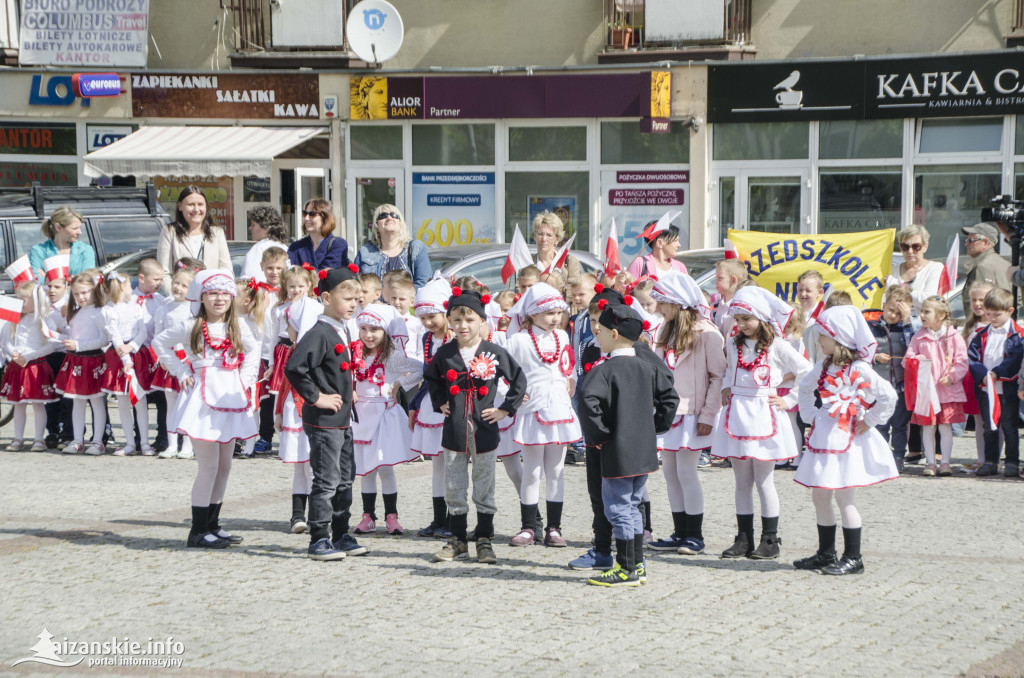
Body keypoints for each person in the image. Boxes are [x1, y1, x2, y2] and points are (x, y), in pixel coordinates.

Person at [153, 270, 259, 549]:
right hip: (202, 400)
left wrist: (246, 381)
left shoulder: (238, 326)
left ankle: (213, 524)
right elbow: (159, 342)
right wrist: (179, 371)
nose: (219, 298)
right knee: (208, 466)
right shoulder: (190, 326)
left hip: (230, 398)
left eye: (225, 293)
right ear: (201, 297)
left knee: (224, 466)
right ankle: (197, 530)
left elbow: (254, 351)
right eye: (213, 293)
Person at [423, 289, 527, 565]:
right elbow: (431, 379)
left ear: (482, 320)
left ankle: (484, 539)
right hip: (454, 431)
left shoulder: (493, 352)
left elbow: (518, 380)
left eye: (469, 319)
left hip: (484, 431)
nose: (463, 326)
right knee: (454, 484)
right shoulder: (445, 353)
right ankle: (457, 540)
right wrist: (440, 402)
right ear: (450, 321)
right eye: (456, 320)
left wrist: (505, 409)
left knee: (484, 485)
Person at [579, 302, 678, 587]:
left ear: (613, 333)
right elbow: (670, 398)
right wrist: (656, 426)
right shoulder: (647, 365)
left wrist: (599, 436)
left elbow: (588, 403)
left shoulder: (604, 369)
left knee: (619, 508)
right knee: (632, 505)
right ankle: (636, 566)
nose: (595, 332)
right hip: (644, 449)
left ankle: (625, 569)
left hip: (617, 449)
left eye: (599, 329)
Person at [794, 305, 899, 575]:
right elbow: (805, 389)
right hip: (824, 436)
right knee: (820, 496)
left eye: (823, 336)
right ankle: (825, 553)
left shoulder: (860, 369)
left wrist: (869, 420)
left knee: (845, 499)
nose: (818, 340)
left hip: (847, 439)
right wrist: (812, 416)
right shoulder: (824, 364)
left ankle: (854, 557)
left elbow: (888, 396)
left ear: (839, 338)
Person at [712, 286, 812, 560]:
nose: (742, 324)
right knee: (741, 481)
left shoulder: (777, 345)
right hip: (739, 416)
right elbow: (729, 372)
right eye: (739, 319)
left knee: (764, 480)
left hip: (765, 414)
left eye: (747, 319)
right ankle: (744, 538)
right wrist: (725, 387)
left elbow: (806, 372)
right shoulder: (733, 344)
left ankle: (770, 539)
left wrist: (788, 400)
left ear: (761, 318)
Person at [283, 264, 368, 561]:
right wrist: (316, 397)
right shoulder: (319, 332)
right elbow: (294, 368)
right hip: (323, 421)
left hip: (342, 418)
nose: (353, 305)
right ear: (326, 298)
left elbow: (335, 370)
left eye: (356, 300)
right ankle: (319, 538)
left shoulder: (342, 330)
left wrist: (349, 389)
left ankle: (342, 533)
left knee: (346, 477)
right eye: (347, 299)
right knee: (326, 479)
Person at [646, 271, 724, 556]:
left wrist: (707, 415)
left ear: (678, 303)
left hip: (692, 413)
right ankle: (679, 532)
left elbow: (717, 376)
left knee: (687, 472)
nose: (658, 307)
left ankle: (695, 535)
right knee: (669, 473)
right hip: (668, 412)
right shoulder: (664, 331)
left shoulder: (707, 334)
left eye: (663, 302)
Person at [505, 283, 582, 548]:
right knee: (532, 471)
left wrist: (569, 380)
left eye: (558, 312)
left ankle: (554, 528)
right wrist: (513, 394)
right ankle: (528, 527)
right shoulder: (518, 340)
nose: (555, 318)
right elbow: (505, 372)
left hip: (559, 409)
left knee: (557, 470)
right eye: (549, 313)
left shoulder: (561, 337)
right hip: (532, 410)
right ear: (533, 314)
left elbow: (567, 366)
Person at [351, 305, 423, 536]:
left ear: (386, 332)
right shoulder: (355, 354)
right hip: (361, 418)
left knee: (384, 467)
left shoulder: (392, 357)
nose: (368, 334)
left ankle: (392, 516)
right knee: (366, 470)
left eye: (374, 329)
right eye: (363, 328)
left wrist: (400, 384)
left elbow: (421, 369)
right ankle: (367, 515)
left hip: (383, 418)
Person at [409, 277, 454, 538]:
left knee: (451, 463)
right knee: (437, 464)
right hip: (430, 404)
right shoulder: (427, 339)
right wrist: (414, 404)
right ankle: (438, 518)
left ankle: (452, 517)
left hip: (449, 404)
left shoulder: (454, 338)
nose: (427, 322)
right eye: (423, 317)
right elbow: (426, 374)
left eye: (432, 316)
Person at [904, 296, 968, 477]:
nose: (922, 315)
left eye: (926, 312)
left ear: (940, 316)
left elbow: (962, 361)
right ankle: (931, 463)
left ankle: (945, 462)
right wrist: (918, 362)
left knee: (945, 426)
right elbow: (907, 360)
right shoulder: (919, 336)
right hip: (926, 392)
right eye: (921, 311)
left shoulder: (954, 336)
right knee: (928, 426)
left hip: (947, 391)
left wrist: (952, 376)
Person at [970, 288, 1024, 478]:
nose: (992, 317)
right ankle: (990, 461)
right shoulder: (982, 334)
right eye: (989, 313)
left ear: (1010, 311)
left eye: (997, 314)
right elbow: (973, 357)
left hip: (1007, 388)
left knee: (1009, 427)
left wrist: (996, 374)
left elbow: (1015, 358)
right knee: (989, 426)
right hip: (987, 389)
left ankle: (1011, 463)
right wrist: (983, 375)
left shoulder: (1018, 334)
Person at [0, 280, 59, 452]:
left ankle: (39, 439)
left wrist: (29, 356)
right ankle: (18, 438)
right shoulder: (15, 320)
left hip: (35, 366)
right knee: (18, 404)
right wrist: (14, 353)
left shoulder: (43, 320)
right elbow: (7, 341)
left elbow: (51, 345)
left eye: (25, 300)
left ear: (36, 300)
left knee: (38, 404)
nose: (21, 303)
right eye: (19, 299)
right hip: (17, 367)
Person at [54, 271, 108, 456]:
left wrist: (79, 345)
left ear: (94, 290)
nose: (81, 297)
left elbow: (104, 340)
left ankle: (98, 441)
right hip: (76, 361)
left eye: (85, 292)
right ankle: (77, 440)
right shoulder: (76, 312)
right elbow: (74, 335)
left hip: (93, 360)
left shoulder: (101, 312)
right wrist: (57, 336)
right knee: (77, 402)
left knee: (96, 402)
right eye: (77, 294)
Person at [98, 272, 152, 457]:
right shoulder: (109, 310)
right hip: (120, 358)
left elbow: (142, 331)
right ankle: (130, 443)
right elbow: (115, 337)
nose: (131, 289)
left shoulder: (136, 306)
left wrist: (132, 346)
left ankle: (144, 442)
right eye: (129, 285)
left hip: (136, 353)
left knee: (140, 399)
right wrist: (126, 360)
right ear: (122, 287)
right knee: (123, 400)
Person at [150, 265, 198, 460]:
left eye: (184, 285)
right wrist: (161, 358)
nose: (178, 287)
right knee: (170, 404)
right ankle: (171, 444)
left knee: (187, 403)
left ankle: (187, 444)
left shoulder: (194, 309)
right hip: (170, 361)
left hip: (189, 361)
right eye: (176, 282)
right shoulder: (165, 308)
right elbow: (158, 334)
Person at [869, 285, 919, 472]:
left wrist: (906, 320)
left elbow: (913, 346)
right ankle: (879, 457)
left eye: (898, 313)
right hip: (878, 387)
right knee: (880, 424)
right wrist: (875, 357)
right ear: (883, 305)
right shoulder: (871, 327)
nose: (892, 315)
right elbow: (862, 352)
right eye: (890, 309)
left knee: (899, 425)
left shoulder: (906, 328)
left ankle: (898, 456)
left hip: (901, 386)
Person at [156, 186, 232, 295]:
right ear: (180, 206)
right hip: (180, 300)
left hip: (209, 299)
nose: (196, 209)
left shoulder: (217, 232)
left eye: (200, 204)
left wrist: (216, 295)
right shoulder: (169, 231)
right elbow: (164, 273)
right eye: (191, 205)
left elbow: (226, 271)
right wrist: (177, 296)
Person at [132, 258, 167, 452]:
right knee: (138, 397)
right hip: (137, 353)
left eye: (161, 279)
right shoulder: (129, 300)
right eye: (156, 279)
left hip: (155, 354)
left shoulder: (161, 301)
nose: (159, 283)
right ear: (141, 278)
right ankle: (140, 437)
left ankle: (163, 436)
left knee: (161, 396)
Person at [353, 204, 432, 288]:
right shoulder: (365, 252)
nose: (389, 218)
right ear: (376, 226)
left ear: (400, 224)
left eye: (394, 215)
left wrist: (400, 299)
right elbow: (356, 284)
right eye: (383, 215)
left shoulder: (416, 248)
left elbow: (424, 283)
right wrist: (376, 300)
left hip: (409, 300)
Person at [961, 281, 995, 470]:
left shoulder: (997, 324)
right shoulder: (969, 325)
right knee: (980, 421)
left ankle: (994, 458)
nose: (978, 303)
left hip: (993, 378)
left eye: (982, 299)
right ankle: (982, 459)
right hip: (973, 378)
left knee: (995, 420)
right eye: (974, 299)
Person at [886, 225, 944, 316]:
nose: (910, 251)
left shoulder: (935, 268)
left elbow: (928, 301)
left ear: (925, 246)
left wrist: (897, 286)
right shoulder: (893, 270)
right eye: (905, 246)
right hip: (894, 325)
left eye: (915, 246)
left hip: (922, 327)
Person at [28, 206, 97, 280]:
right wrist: (74, 279)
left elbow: (86, 281)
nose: (80, 232)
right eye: (74, 228)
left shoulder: (85, 250)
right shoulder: (39, 251)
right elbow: (36, 280)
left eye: (80, 227)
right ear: (58, 228)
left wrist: (47, 278)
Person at [287, 198, 349, 271]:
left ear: (325, 217)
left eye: (312, 214)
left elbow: (327, 274)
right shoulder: (295, 247)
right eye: (305, 214)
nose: (306, 218)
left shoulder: (338, 244)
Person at [531, 211, 581, 297]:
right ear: (535, 236)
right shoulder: (527, 262)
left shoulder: (569, 262)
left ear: (557, 239)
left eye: (549, 235)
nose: (544, 239)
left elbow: (573, 292)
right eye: (540, 234)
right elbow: (521, 290)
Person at [960, 222, 1010, 302]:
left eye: (971, 240)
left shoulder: (984, 266)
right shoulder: (1006, 264)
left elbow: (981, 305)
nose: (966, 244)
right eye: (967, 240)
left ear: (986, 242)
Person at [241, 205, 289, 279]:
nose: (250, 228)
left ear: (266, 228)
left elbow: (251, 279)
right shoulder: (285, 248)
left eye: (253, 225)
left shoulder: (258, 249)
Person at [713, 258, 748, 337]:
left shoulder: (741, 308)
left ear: (733, 280)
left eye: (720, 278)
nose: (716, 282)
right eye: (716, 278)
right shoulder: (716, 305)